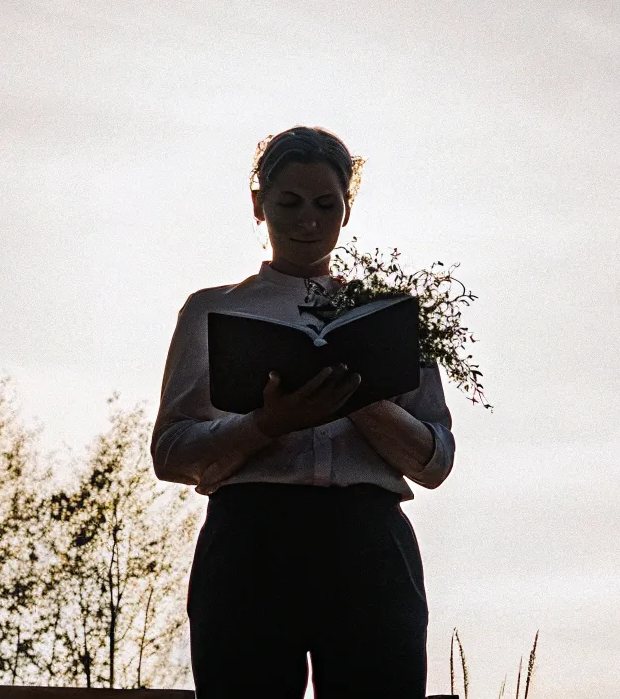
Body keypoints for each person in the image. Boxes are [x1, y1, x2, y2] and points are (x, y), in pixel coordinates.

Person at [152, 126, 456, 699]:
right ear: (258, 204)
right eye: (288, 202)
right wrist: (267, 423)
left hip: (369, 543)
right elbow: (170, 453)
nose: (308, 221)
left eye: (326, 205)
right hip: (250, 542)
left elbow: (436, 461)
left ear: (347, 210)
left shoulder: (387, 316)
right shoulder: (213, 310)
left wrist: (362, 400)